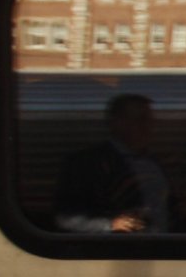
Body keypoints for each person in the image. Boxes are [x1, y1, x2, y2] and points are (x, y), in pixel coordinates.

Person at [54, 92, 174, 233]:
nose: (148, 126)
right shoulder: (86, 164)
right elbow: (65, 219)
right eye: (140, 120)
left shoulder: (155, 163)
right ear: (117, 123)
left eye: (150, 120)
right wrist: (110, 225)